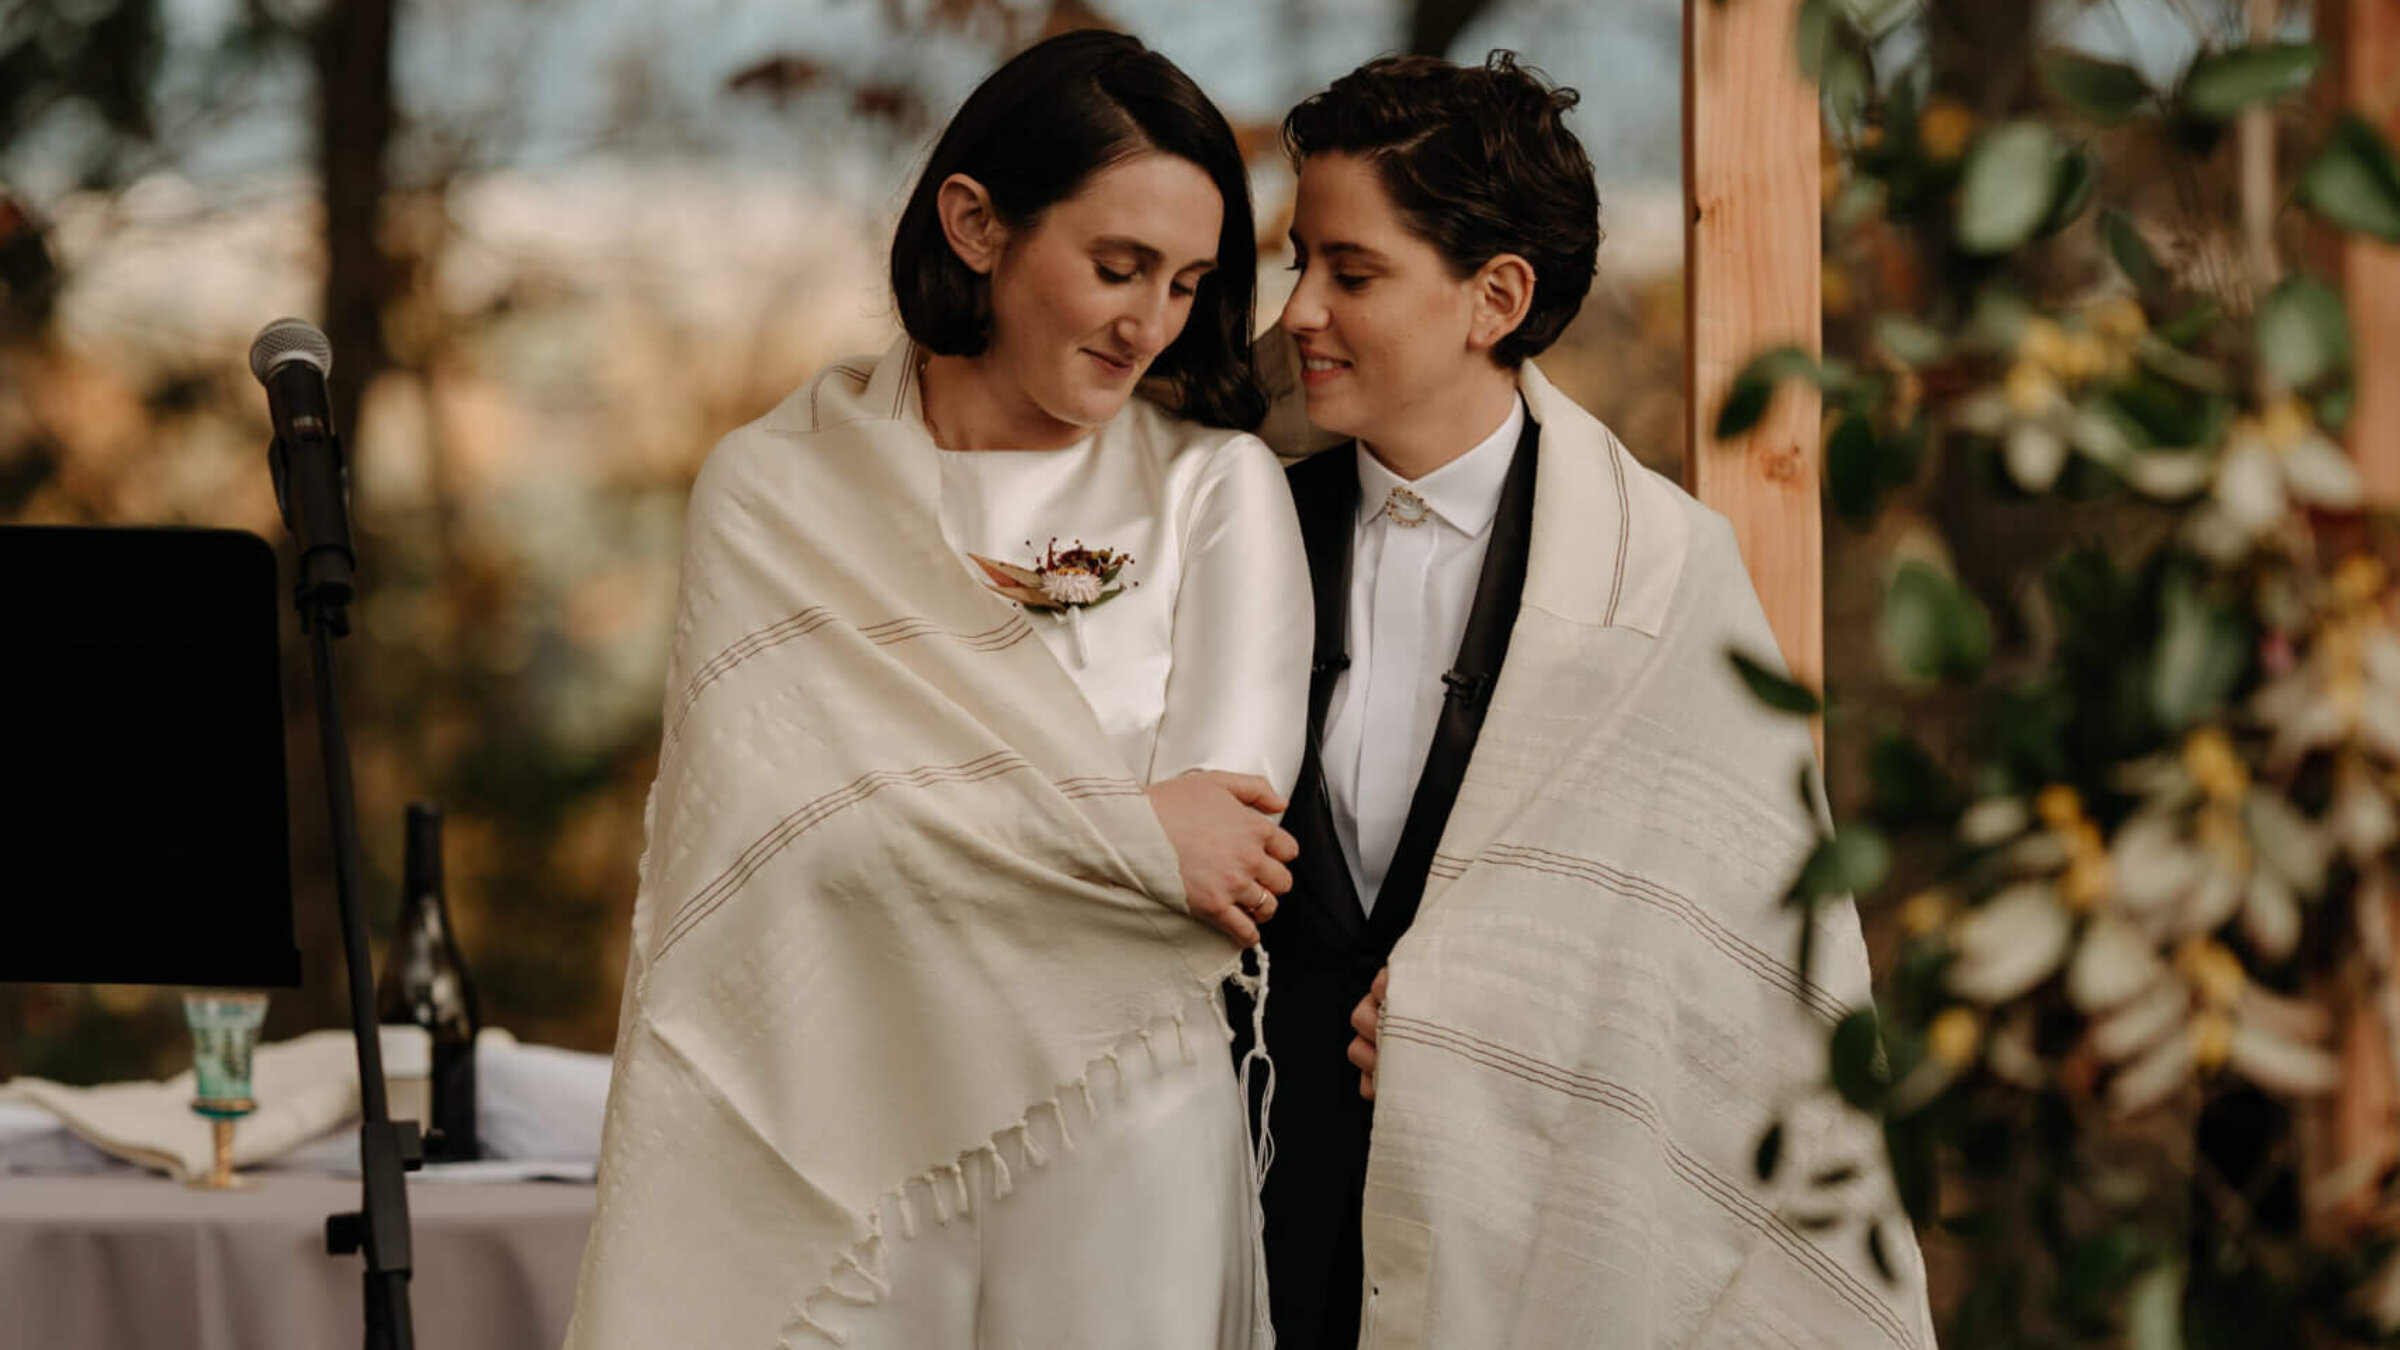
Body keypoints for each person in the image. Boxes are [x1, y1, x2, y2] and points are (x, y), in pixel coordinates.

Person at [566, 31, 1308, 1349]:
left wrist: (924, 823)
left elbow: (1224, 863)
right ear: (976, 223)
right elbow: (781, 842)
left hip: (1121, 1118)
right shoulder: (777, 489)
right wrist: (1129, 830)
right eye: (1116, 265)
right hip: (846, 1126)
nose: (1151, 323)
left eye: (1189, 282)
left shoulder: (1215, 490)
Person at [1243, 52, 1939, 1348]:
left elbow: (1738, 992)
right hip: (1245, 1236)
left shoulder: (1669, 580)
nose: (1297, 310)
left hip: (1516, 1258)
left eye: (1351, 270)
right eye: (1299, 261)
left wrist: (1480, 1030)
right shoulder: (1237, 538)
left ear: (1493, 297)